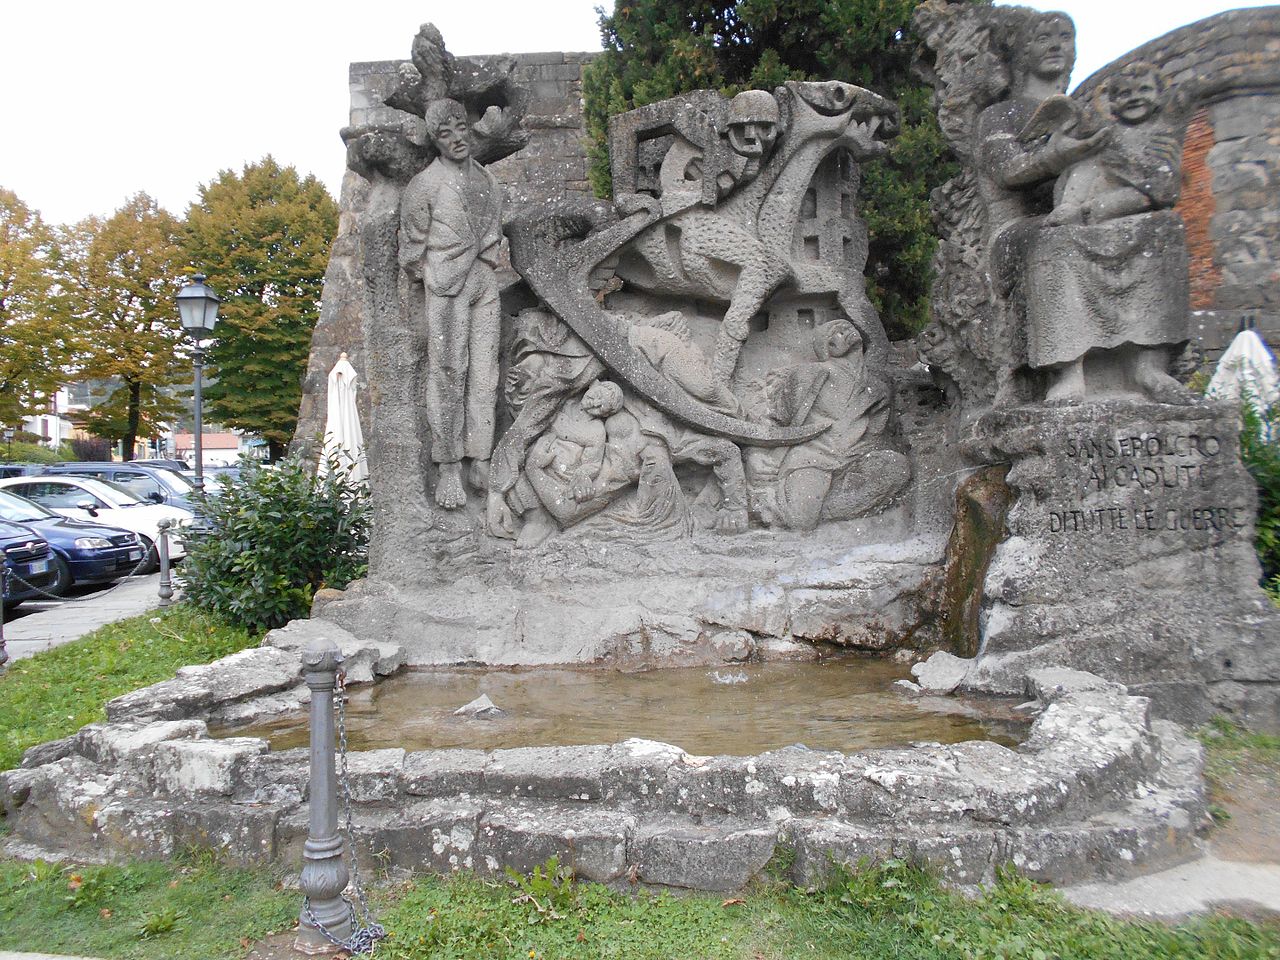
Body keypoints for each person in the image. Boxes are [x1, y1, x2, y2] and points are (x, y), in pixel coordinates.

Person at [1026, 61, 1191, 403]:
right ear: (1112, 102)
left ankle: (1149, 368)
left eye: (1143, 90)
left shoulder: (1162, 138)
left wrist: (1101, 208)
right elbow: (1080, 177)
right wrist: (1072, 209)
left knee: (1169, 228)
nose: (1134, 98)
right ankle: (1070, 372)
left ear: (1160, 96)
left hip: (1136, 224)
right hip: (1086, 227)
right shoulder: (1099, 138)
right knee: (1052, 246)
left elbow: (1163, 189)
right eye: (1124, 93)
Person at [399, 98, 503, 509]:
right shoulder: (423, 185)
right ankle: (447, 468)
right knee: (447, 372)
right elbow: (411, 251)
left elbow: (492, 227)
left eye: (460, 128)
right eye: (445, 134)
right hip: (445, 285)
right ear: (435, 141)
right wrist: (437, 274)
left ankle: (481, 457)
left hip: (483, 279)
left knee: (485, 372)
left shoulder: (488, 181)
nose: (457, 138)